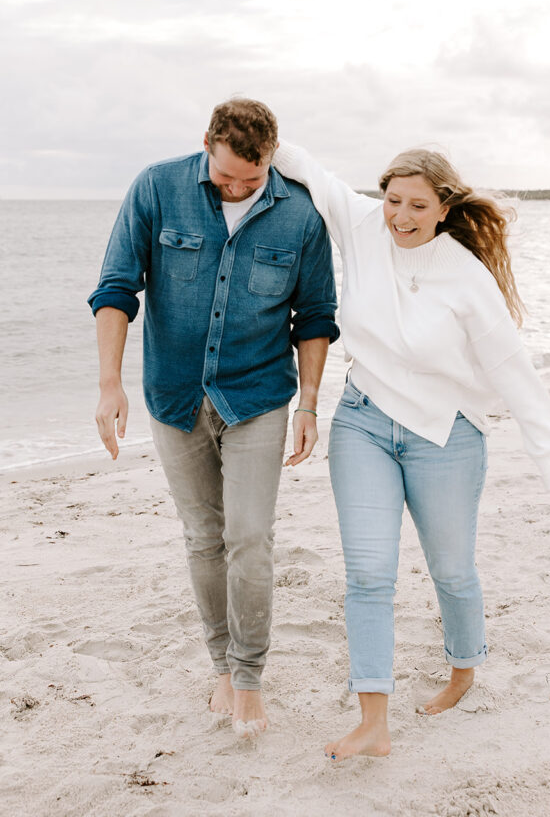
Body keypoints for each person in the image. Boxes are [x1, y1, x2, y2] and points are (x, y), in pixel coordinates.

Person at [273, 140, 550, 760]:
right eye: (392, 200)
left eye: (417, 205)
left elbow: (514, 371)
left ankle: (463, 669)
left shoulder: (466, 277)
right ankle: (373, 723)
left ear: (443, 209)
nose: (400, 216)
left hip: (446, 434)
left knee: (453, 571)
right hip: (362, 422)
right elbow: (309, 169)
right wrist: (256, 142)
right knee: (368, 573)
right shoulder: (361, 225)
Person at [88, 99, 339, 738]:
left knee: (249, 537)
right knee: (204, 537)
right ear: (208, 144)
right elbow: (117, 287)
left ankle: (250, 679)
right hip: (172, 398)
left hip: (257, 397)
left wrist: (310, 402)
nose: (235, 188)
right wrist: (109, 384)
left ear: (270, 162)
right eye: (226, 176)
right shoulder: (156, 186)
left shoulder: (301, 215)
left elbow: (314, 317)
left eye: (249, 181)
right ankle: (221, 669)